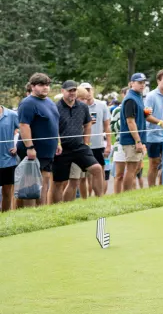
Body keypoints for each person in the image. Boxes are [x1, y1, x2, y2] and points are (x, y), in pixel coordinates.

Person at [52, 81, 104, 203]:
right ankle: (58, 209)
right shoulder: (55, 107)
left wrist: (86, 142)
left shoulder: (83, 106)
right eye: (69, 90)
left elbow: (88, 124)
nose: (72, 93)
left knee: (97, 169)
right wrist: (58, 144)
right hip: (62, 148)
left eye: (74, 90)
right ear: (62, 91)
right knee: (58, 182)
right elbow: (54, 128)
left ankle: (100, 202)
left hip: (79, 146)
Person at [16, 73, 59, 206]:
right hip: (33, 151)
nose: (45, 87)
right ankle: (29, 214)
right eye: (41, 85)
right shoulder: (27, 103)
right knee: (30, 186)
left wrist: (58, 142)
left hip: (48, 151)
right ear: (32, 86)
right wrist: (29, 147)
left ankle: (42, 211)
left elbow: (54, 123)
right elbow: (24, 125)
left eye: (47, 84)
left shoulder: (49, 102)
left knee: (44, 182)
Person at [77, 86, 110, 198]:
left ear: (93, 90)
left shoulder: (102, 105)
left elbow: (107, 126)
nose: (87, 92)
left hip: (98, 145)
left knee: (100, 172)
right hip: (82, 146)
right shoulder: (78, 106)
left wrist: (108, 145)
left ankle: (99, 198)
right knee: (82, 176)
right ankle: (85, 200)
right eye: (84, 90)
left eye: (89, 89)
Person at [118, 73, 148, 193]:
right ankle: (126, 195)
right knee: (131, 168)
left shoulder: (138, 96)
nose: (142, 85)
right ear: (131, 83)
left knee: (136, 168)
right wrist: (138, 141)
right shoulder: (130, 99)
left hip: (136, 138)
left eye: (143, 82)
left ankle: (129, 193)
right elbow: (130, 121)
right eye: (139, 82)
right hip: (131, 139)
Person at [0, 102, 20, 212]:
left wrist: (17, 146)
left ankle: (5, 217)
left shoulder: (12, 114)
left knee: (7, 192)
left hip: (7, 160)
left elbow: (25, 129)